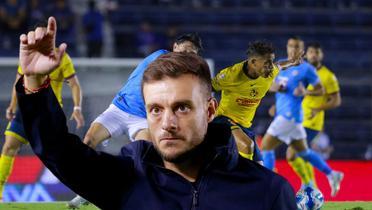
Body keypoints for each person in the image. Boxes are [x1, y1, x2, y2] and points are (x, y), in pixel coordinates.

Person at [16, 17, 296, 210]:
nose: (168, 123)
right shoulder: (129, 181)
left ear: (210, 110)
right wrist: (34, 84)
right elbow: (59, 152)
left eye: (182, 107)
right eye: (156, 110)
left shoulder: (268, 192)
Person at [69, 29, 203, 210]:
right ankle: (84, 192)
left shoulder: (183, 77)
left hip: (142, 119)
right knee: (89, 140)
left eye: (191, 54)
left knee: (142, 157)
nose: (186, 55)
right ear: (175, 47)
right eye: (184, 50)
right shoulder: (161, 56)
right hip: (119, 108)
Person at [0, 41, 84, 202]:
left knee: (59, 156)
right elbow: (18, 82)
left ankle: (83, 193)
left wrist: (77, 108)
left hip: (49, 113)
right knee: (9, 146)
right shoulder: (29, 55)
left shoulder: (62, 57)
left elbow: (74, 84)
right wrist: (12, 106)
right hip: (26, 109)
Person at [260, 36, 343, 197]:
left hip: (289, 115)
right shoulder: (282, 64)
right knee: (303, 152)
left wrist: (306, 91)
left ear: (302, 50)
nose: (293, 50)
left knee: (266, 146)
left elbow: (320, 90)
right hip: (290, 117)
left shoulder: (307, 69)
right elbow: (269, 84)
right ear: (287, 47)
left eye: (297, 47)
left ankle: (267, 186)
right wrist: (275, 88)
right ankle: (332, 174)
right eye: (291, 46)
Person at [211, 40, 302, 163]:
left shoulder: (269, 73)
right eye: (267, 63)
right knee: (247, 146)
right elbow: (207, 87)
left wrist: (291, 62)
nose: (271, 66)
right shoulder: (231, 75)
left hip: (245, 126)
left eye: (271, 62)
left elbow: (279, 65)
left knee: (259, 166)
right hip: (224, 120)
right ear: (253, 62)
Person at [287, 42, 342, 193]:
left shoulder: (328, 76)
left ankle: (311, 184)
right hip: (297, 118)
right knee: (300, 153)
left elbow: (336, 100)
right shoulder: (303, 71)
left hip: (312, 120)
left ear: (321, 55)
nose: (313, 55)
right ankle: (315, 183)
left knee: (293, 152)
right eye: (311, 52)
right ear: (306, 54)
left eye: (316, 52)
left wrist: (318, 108)